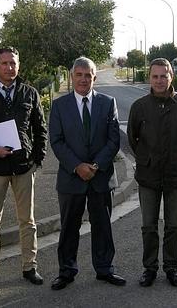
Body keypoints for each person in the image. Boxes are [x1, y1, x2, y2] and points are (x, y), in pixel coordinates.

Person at [0, 47, 47, 288]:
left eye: (13, 63)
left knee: (28, 220)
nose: (9, 68)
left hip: (24, 167)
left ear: (18, 65)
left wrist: (37, 159)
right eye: (4, 63)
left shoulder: (30, 93)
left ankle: (29, 267)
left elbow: (41, 129)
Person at [48, 56, 125, 290]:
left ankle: (104, 269)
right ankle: (67, 271)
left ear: (94, 77)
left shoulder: (107, 102)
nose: (83, 79)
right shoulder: (59, 106)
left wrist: (96, 166)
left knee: (102, 226)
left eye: (88, 75)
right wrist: (78, 166)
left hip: (100, 178)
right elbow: (57, 141)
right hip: (71, 178)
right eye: (78, 75)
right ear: (72, 77)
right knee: (69, 227)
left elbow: (114, 140)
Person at [127, 58, 177, 287]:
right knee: (148, 226)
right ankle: (149, 268)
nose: (159, 80)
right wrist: (146, 158)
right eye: (155, 76)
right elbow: (132, 138)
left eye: (163, 76)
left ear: (171, 77)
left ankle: (171, 268)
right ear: (150, 78)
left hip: (175, 176)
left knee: (173, 226)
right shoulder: (140, 106)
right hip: (148, 177)